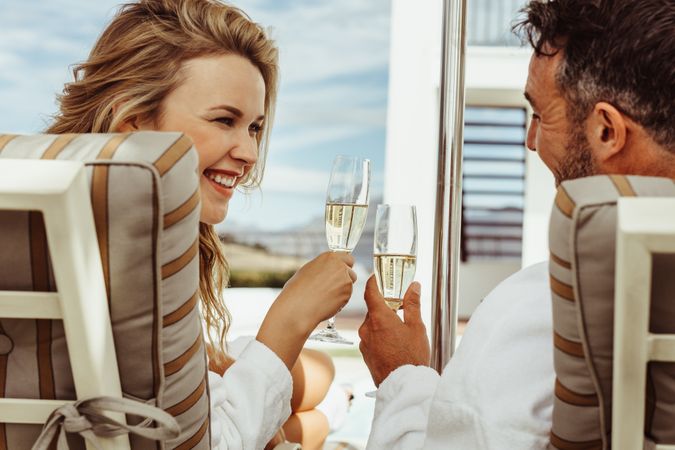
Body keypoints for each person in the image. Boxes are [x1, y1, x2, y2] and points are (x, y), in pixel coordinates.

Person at [358, 0, 675, 448]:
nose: (530, 141)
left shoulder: (551, 304)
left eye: (541, 116)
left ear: (607, 130)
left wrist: (401, 375)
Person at [47, 1, 355, 449]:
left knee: (319, 373)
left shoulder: (63, 211)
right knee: (310, 402)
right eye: (224, 120)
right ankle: (331, 417)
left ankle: (326, 413)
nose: (250, 154)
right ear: (136, 125)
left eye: (254, 127)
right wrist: (292, 315)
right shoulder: (131, 256)